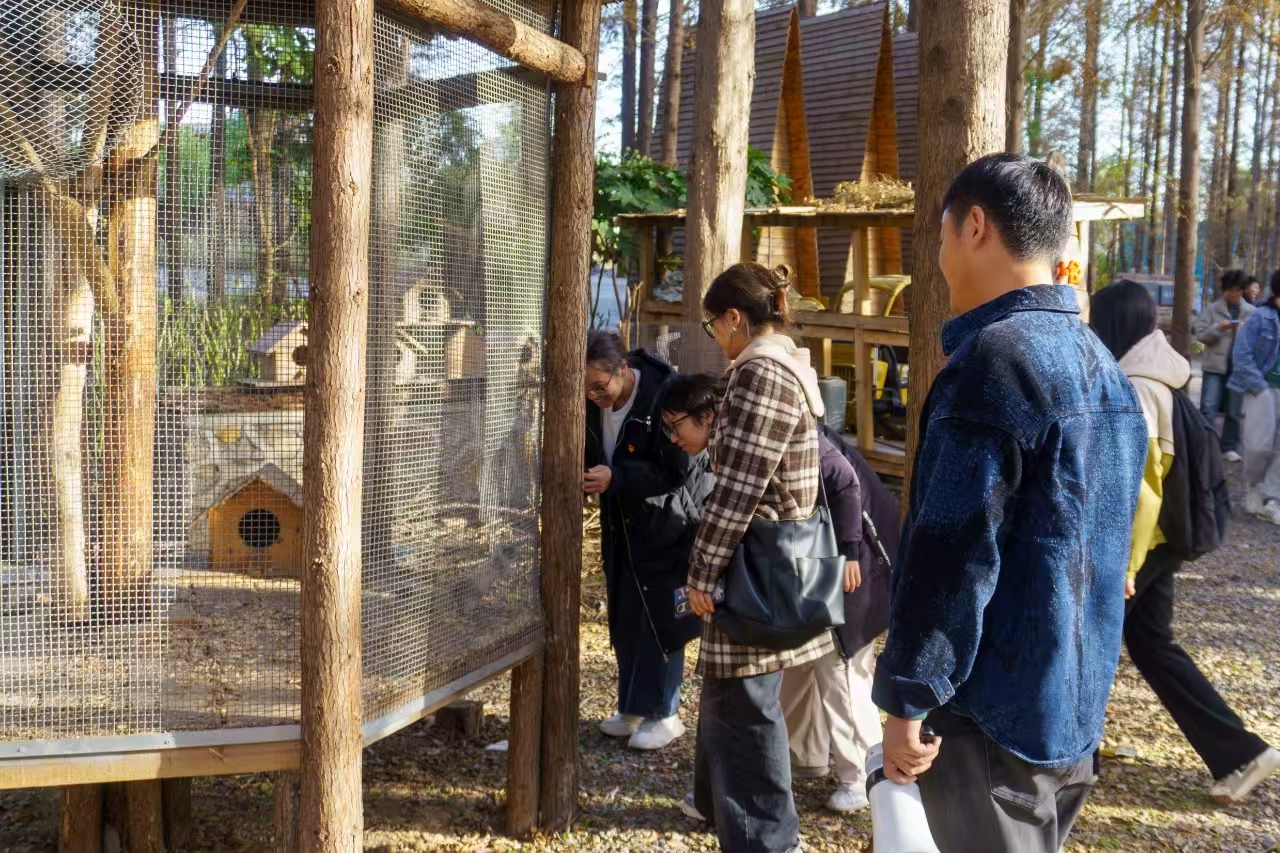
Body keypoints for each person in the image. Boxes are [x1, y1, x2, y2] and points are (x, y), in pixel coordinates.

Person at [872, 154, 1149, 853]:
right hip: (1071, 714)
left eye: (939, 236)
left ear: (974, 226)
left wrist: (908, 695)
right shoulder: (1103, 364)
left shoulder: (994, 362)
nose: (939, 257)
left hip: (989, 719)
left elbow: (953, 553)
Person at [657, 375, 892, 816]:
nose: (673, 437)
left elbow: (844, 481)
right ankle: (808, 756)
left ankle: (860, 777)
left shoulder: (771, 424)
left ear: (707, 416)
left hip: (847, 562)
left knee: (840, 668)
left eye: (676, 426)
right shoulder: (733, 437)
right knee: (802, 664)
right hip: (808, 565)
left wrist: (849, 551)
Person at [1092, 279, 1280, 804]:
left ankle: (1074, 762)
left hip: (1145, 543)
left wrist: (1125, 567)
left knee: (1088, 646)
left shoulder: (1137, 387)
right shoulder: (1163, 373)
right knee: (1152, 645)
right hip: (1166, 537)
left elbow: (1142, 491)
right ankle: (1241, 754)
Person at [684, 262, 835, 853]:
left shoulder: (761, 373)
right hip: (767, 558)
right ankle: (714, 806)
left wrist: (702, 571)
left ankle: (768, 839)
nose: (714, 338)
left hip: (755, 560)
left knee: (746, 704)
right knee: (731, 694)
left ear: (735, 318)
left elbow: (737, 489)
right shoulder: (781, 363)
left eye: (713, 325)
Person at [583, 330, 713, 750]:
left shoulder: (661, 394)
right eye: (586, 390)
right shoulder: (591, 401)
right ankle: (631, 707)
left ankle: (665, 713)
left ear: (623, 369)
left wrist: (618, 477)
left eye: (599, 387)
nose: (593, 397)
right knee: (625, 615)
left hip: (668, 522)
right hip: (620, 521)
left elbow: (676, 471)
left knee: (662, 619)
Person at [1230, 270, 1280, 525]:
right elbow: (1241, 355)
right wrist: (1258, 387)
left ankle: (1272, 498)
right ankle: (1253, 486)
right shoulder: (1261, 317)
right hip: (1262, 388)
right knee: (1259, 446)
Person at [1195, 270, 1253, 463]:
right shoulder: (1212, 310)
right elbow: (1200, 335)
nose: (1234, 294)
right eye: (1230, 290)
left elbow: (1257, 341)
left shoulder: (1251, 312)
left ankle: (1230, 447)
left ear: (1242, 290)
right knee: (1208, 407)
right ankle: (1206, 445)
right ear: (1224, 290)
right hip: (1214, 367)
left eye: (1237, 290)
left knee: (1234, 411)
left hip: (1239, 368)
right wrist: (1219, 328)